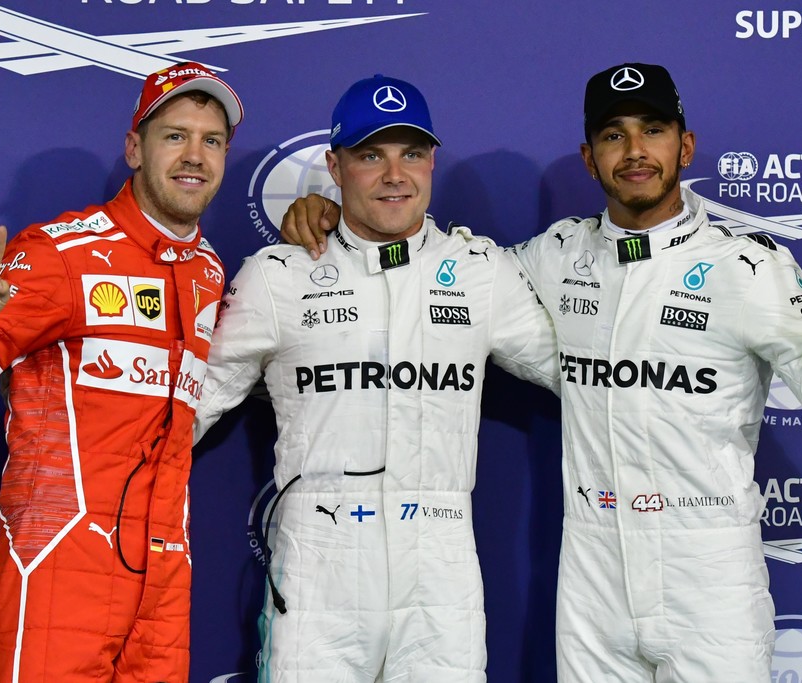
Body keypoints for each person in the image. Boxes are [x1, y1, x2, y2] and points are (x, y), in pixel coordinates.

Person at [280, 63, 802, 682]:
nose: (635, 152)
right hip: (592, 575)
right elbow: (430, 264)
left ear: (686, 145)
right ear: (590, 158)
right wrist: (332, 217)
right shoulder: (554, 255)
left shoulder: (748, 266)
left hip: (709, 573)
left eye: (653, 130)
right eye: (613, 135)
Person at [194, 74, 558, 682]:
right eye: (371, 156)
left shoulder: (478, 270)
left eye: (411, 154)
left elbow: (593, 379)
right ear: (335, 167)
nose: (395, 174)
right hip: (319, 572)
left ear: (432, 161)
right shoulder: (277, 276)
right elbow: (191, 405)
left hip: (440, 574)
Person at [0, 61, 242, 683]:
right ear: (134, 148)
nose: (195, 155)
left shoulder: (208, 272)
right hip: (61, 562)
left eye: (212, 140)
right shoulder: (62, 254)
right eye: (175, 135)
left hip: (164, 579)